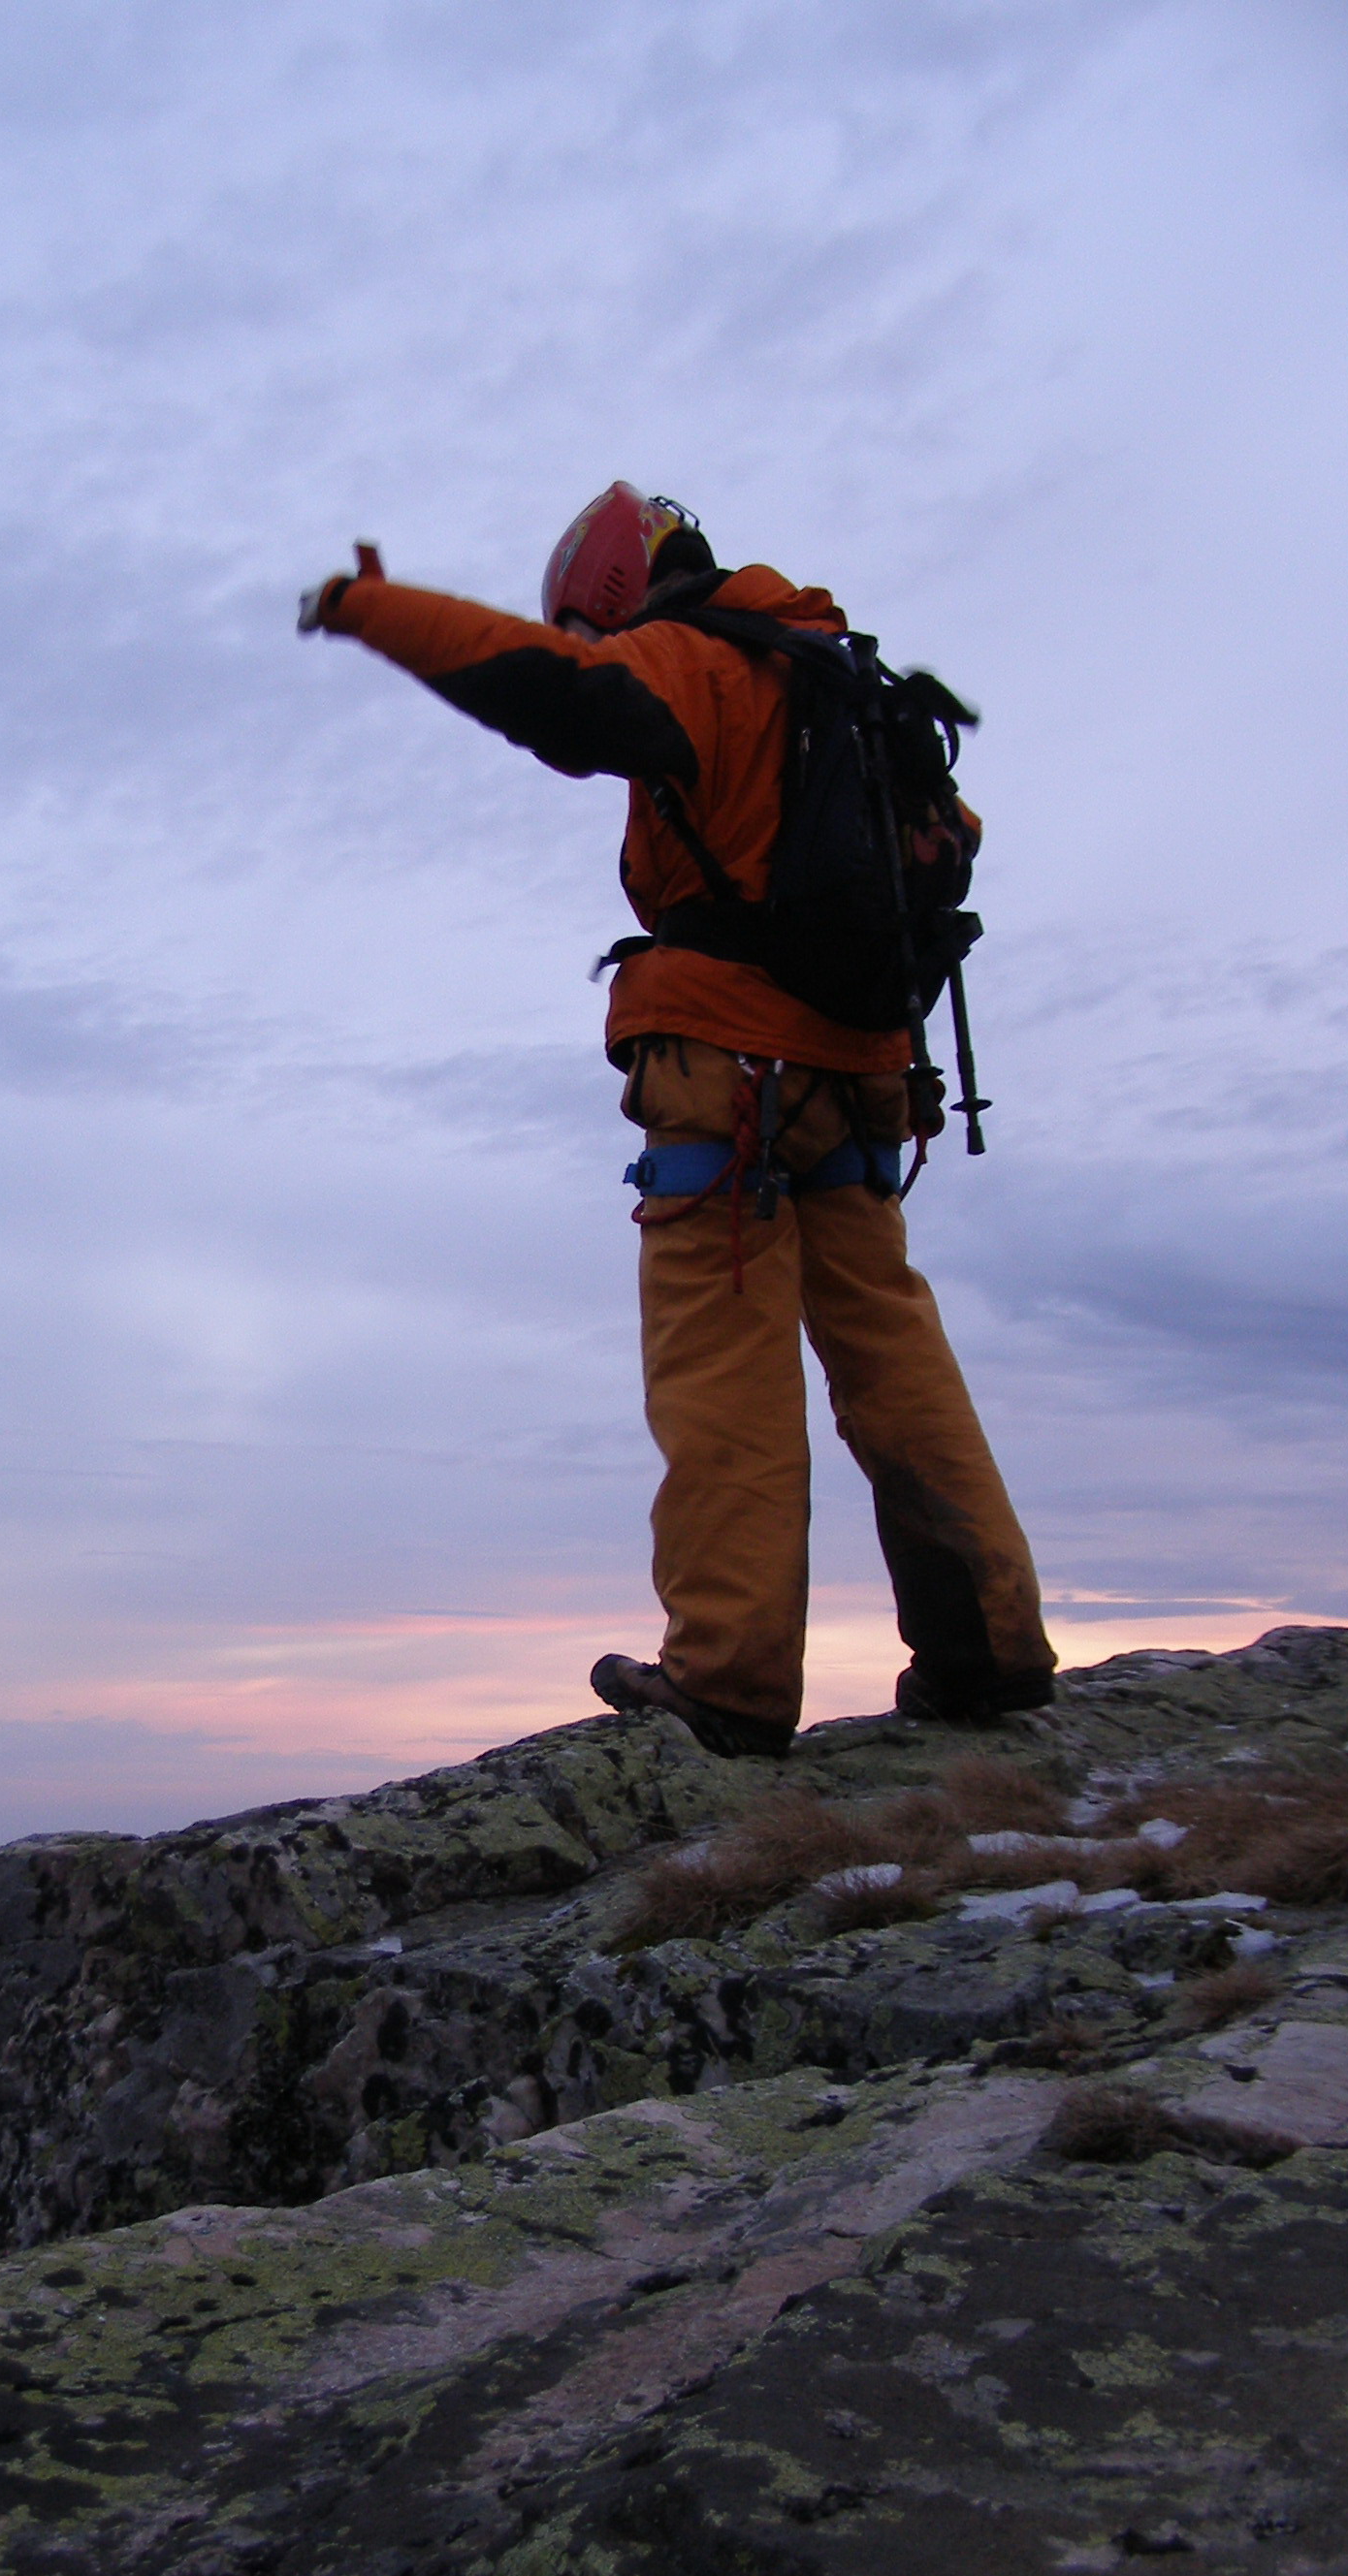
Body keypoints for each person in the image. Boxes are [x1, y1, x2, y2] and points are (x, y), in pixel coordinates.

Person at [298, 485, 1054, 1759]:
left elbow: (547, 687)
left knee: (723, 1376)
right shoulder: (845, 683)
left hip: (732, 1086)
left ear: (608, 589)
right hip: (864, 1084)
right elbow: (948, 846)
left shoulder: (698, 665)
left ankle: (731, 1682)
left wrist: (375, 610)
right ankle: (989, 1651)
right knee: (896, 1361)